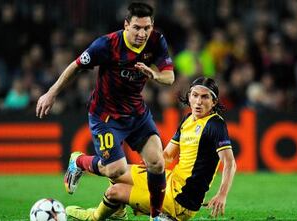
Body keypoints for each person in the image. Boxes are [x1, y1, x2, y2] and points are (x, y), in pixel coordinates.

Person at [35, 2, 174, 220]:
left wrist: (155, 75)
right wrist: (51, 93)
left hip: (137, 114)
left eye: (146, 28)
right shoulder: (107, 44)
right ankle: (79, 161)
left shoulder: (157, 41)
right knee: (116, 171)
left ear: (152, 25)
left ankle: (156, 216)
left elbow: (170, 76)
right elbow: (76, 66)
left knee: (157, 163)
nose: (142, 33)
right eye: (137, 27)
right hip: (106, 116)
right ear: (126, 25)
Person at [66, 77, 236, 221]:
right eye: (195, 95)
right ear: (189, 96)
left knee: (113, 192)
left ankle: (95, 217)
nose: (199, 102)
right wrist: (152, 163)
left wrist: (222, 194)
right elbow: (168, 155)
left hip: (181, 201)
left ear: (214, 102)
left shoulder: (215, 124)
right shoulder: (188, 120)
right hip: (169, 180)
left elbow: (229, 163)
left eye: (205, 97)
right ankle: (78, 161)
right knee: (117, 171)